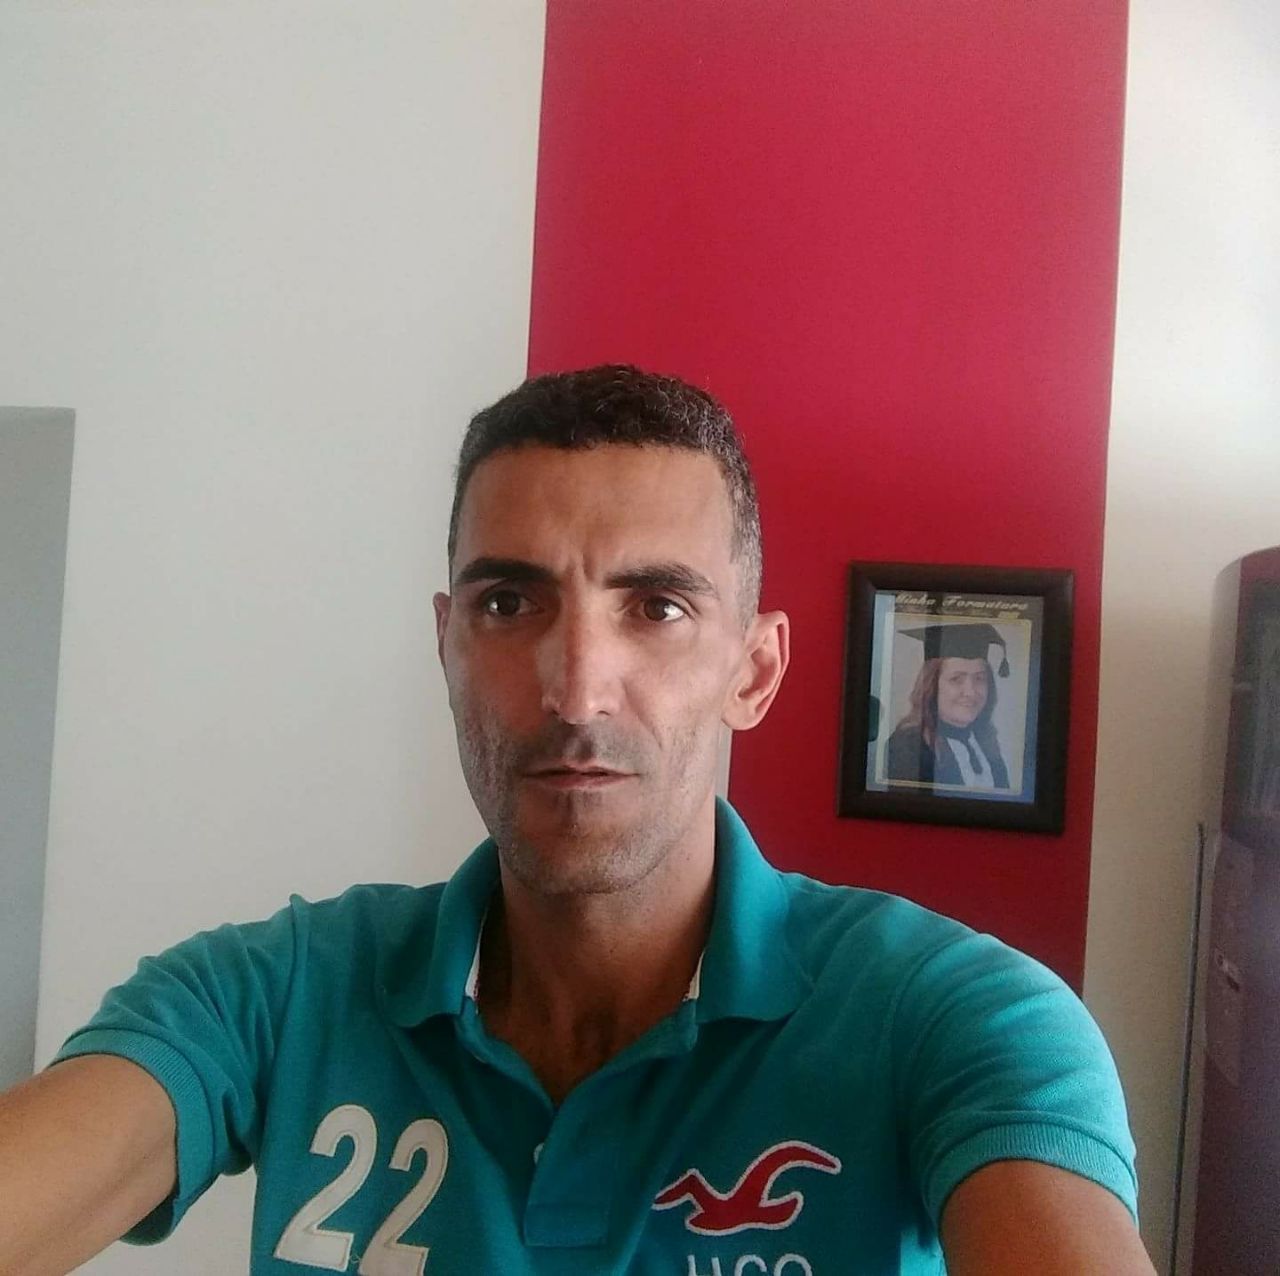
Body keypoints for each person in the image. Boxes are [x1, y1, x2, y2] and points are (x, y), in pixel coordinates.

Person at [0, 366, 1156, 1275]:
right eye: (509, 602)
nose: (574, 688)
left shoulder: (955, 1019)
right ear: (447, 646)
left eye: (656, 606)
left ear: (753, 671)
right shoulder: (270, 996)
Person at [884, 624, 1012, 791]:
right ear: (931, 686)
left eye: (979, 679)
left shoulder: (985, 741)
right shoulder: (908, 747)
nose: (970, 692)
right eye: (956, 679)